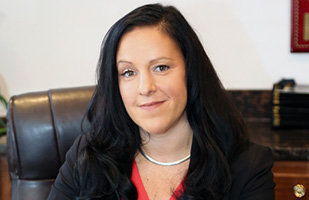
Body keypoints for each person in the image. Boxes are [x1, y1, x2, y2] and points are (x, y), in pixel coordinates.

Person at [47, 3, 275, 200]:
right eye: (128, 73)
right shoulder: (87, 156)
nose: (145, 88)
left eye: (161, 67)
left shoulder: (247, 167)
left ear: (191, 71)